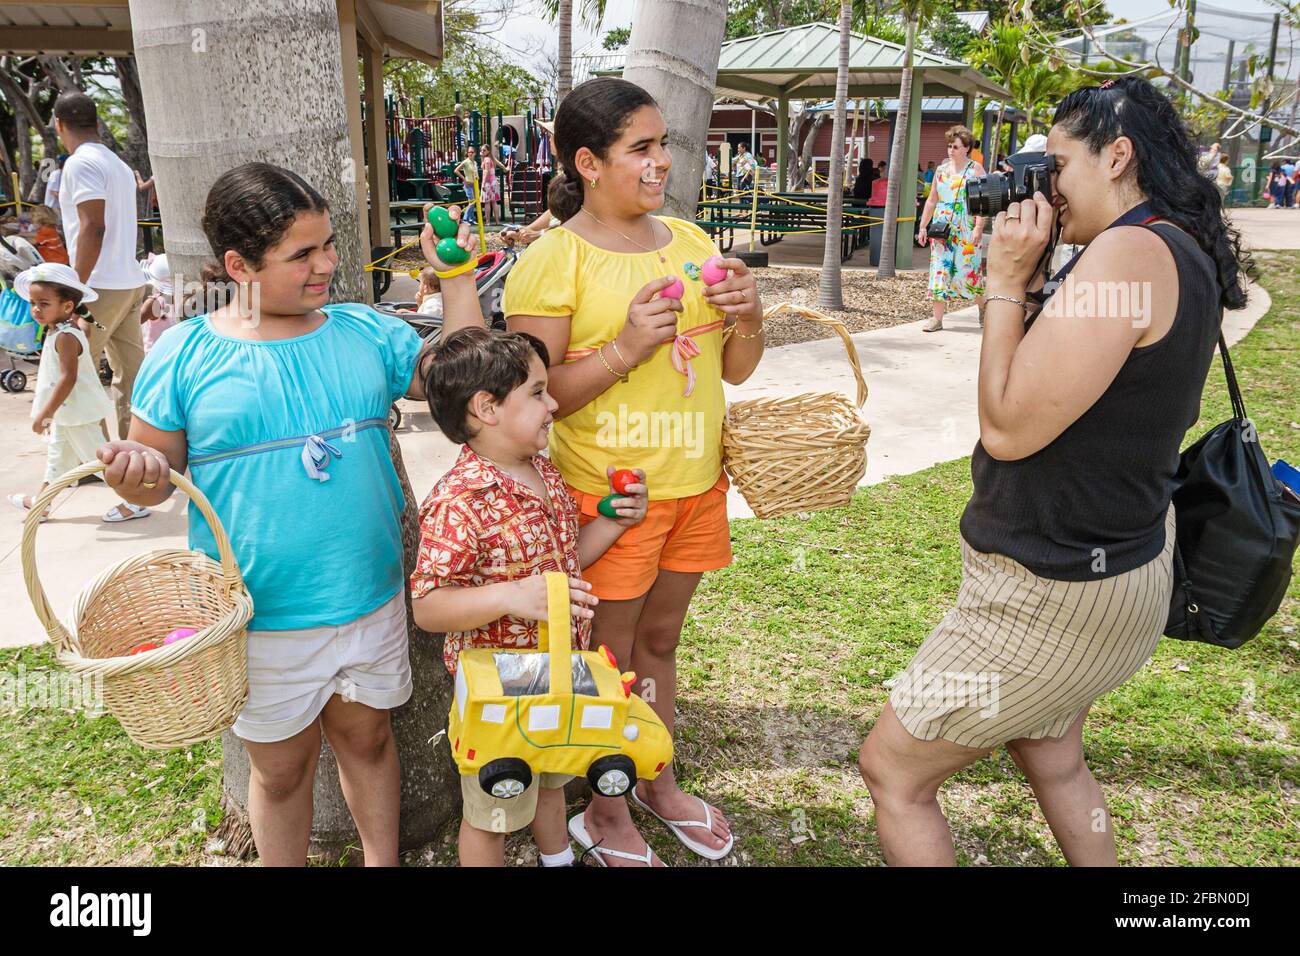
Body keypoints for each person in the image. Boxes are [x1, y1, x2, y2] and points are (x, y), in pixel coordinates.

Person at [859, 75, 1247, 867]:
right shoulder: (1171, 245)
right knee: (1053, 756)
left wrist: (1003, 283)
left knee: (893, 768)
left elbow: (1006, 427)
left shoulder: (1129, 255)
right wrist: (1031, 284)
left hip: (1041, 603)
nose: (1046, 187)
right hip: (1111, 574)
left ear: (1118, 155)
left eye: (1056, 166)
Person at [94, 162, 485, 867]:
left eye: (329, 245)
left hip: (367, 600)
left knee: (368, 741)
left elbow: (464, 381)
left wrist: (456, 277)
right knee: (279, 772)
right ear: (239, 265)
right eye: (302, 254)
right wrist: (138, 475)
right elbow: (151, 485)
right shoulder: (184, 353)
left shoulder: (363, 331)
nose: (327, 265)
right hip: (258, 617)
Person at [505, 76, 765, 865]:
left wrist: (749, 316)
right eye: (641, 149)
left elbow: (738, 371)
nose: (661, 164)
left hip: (694, 487)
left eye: (664, 147)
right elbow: (531, 403)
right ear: (587, 161)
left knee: (660, 641)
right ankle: (603, 808)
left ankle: (655, 775)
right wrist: (624, 349)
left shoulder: (691, 244)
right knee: (606, 660)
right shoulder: (553, 261)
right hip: (610, 501)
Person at [411, 327, 649, 867]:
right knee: (495, 807)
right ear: (486, 408)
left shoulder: (544, 470)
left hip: (559, 673)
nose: (554, 403)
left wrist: (614, 519)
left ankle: (558, 859)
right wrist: (513, 595)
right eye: (538, 392)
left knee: (550, 777)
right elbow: (428, 607)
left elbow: (568, 561)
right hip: (499, 693)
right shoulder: (460, 502)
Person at [51, 92, 148, 458]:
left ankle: (91, 461)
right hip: (129, 280)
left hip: (99, 287)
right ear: (95, 122)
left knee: (75, 371)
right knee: (130, 378)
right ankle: (136, 457)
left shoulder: (80, 164)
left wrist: (74, 289)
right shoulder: (118, 165)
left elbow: (93, 227)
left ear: (59, 124)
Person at [6, 263, 118, 522]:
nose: (35, 309)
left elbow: (68, 378)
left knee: (100, 462)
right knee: (56, 463)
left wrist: (45, 414)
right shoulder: (61, 330)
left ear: (67, 306)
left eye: (44, 303)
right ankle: (42, 503)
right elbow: (86, 329)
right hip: (68, 414)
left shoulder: (65, 336)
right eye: (33, 302)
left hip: (76, 413)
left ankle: (135, 500)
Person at [916, 124, 987, 332]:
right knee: (940, 270)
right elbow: (931, 200)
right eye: (949, 146)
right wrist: (923, 226)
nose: (951, 150)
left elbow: (982, 202)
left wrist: (978, 228)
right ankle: (937, 319)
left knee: (968, 270)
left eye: (955, 147)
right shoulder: (941, 171)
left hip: (966, 225)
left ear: (966, 148)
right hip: (942, 227)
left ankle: (982, 308)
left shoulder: (975, 170)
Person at [137, 253, 177, 352]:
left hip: (154, 353)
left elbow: (133, 323)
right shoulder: (182, 301)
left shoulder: (153, 303)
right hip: (174, 352)